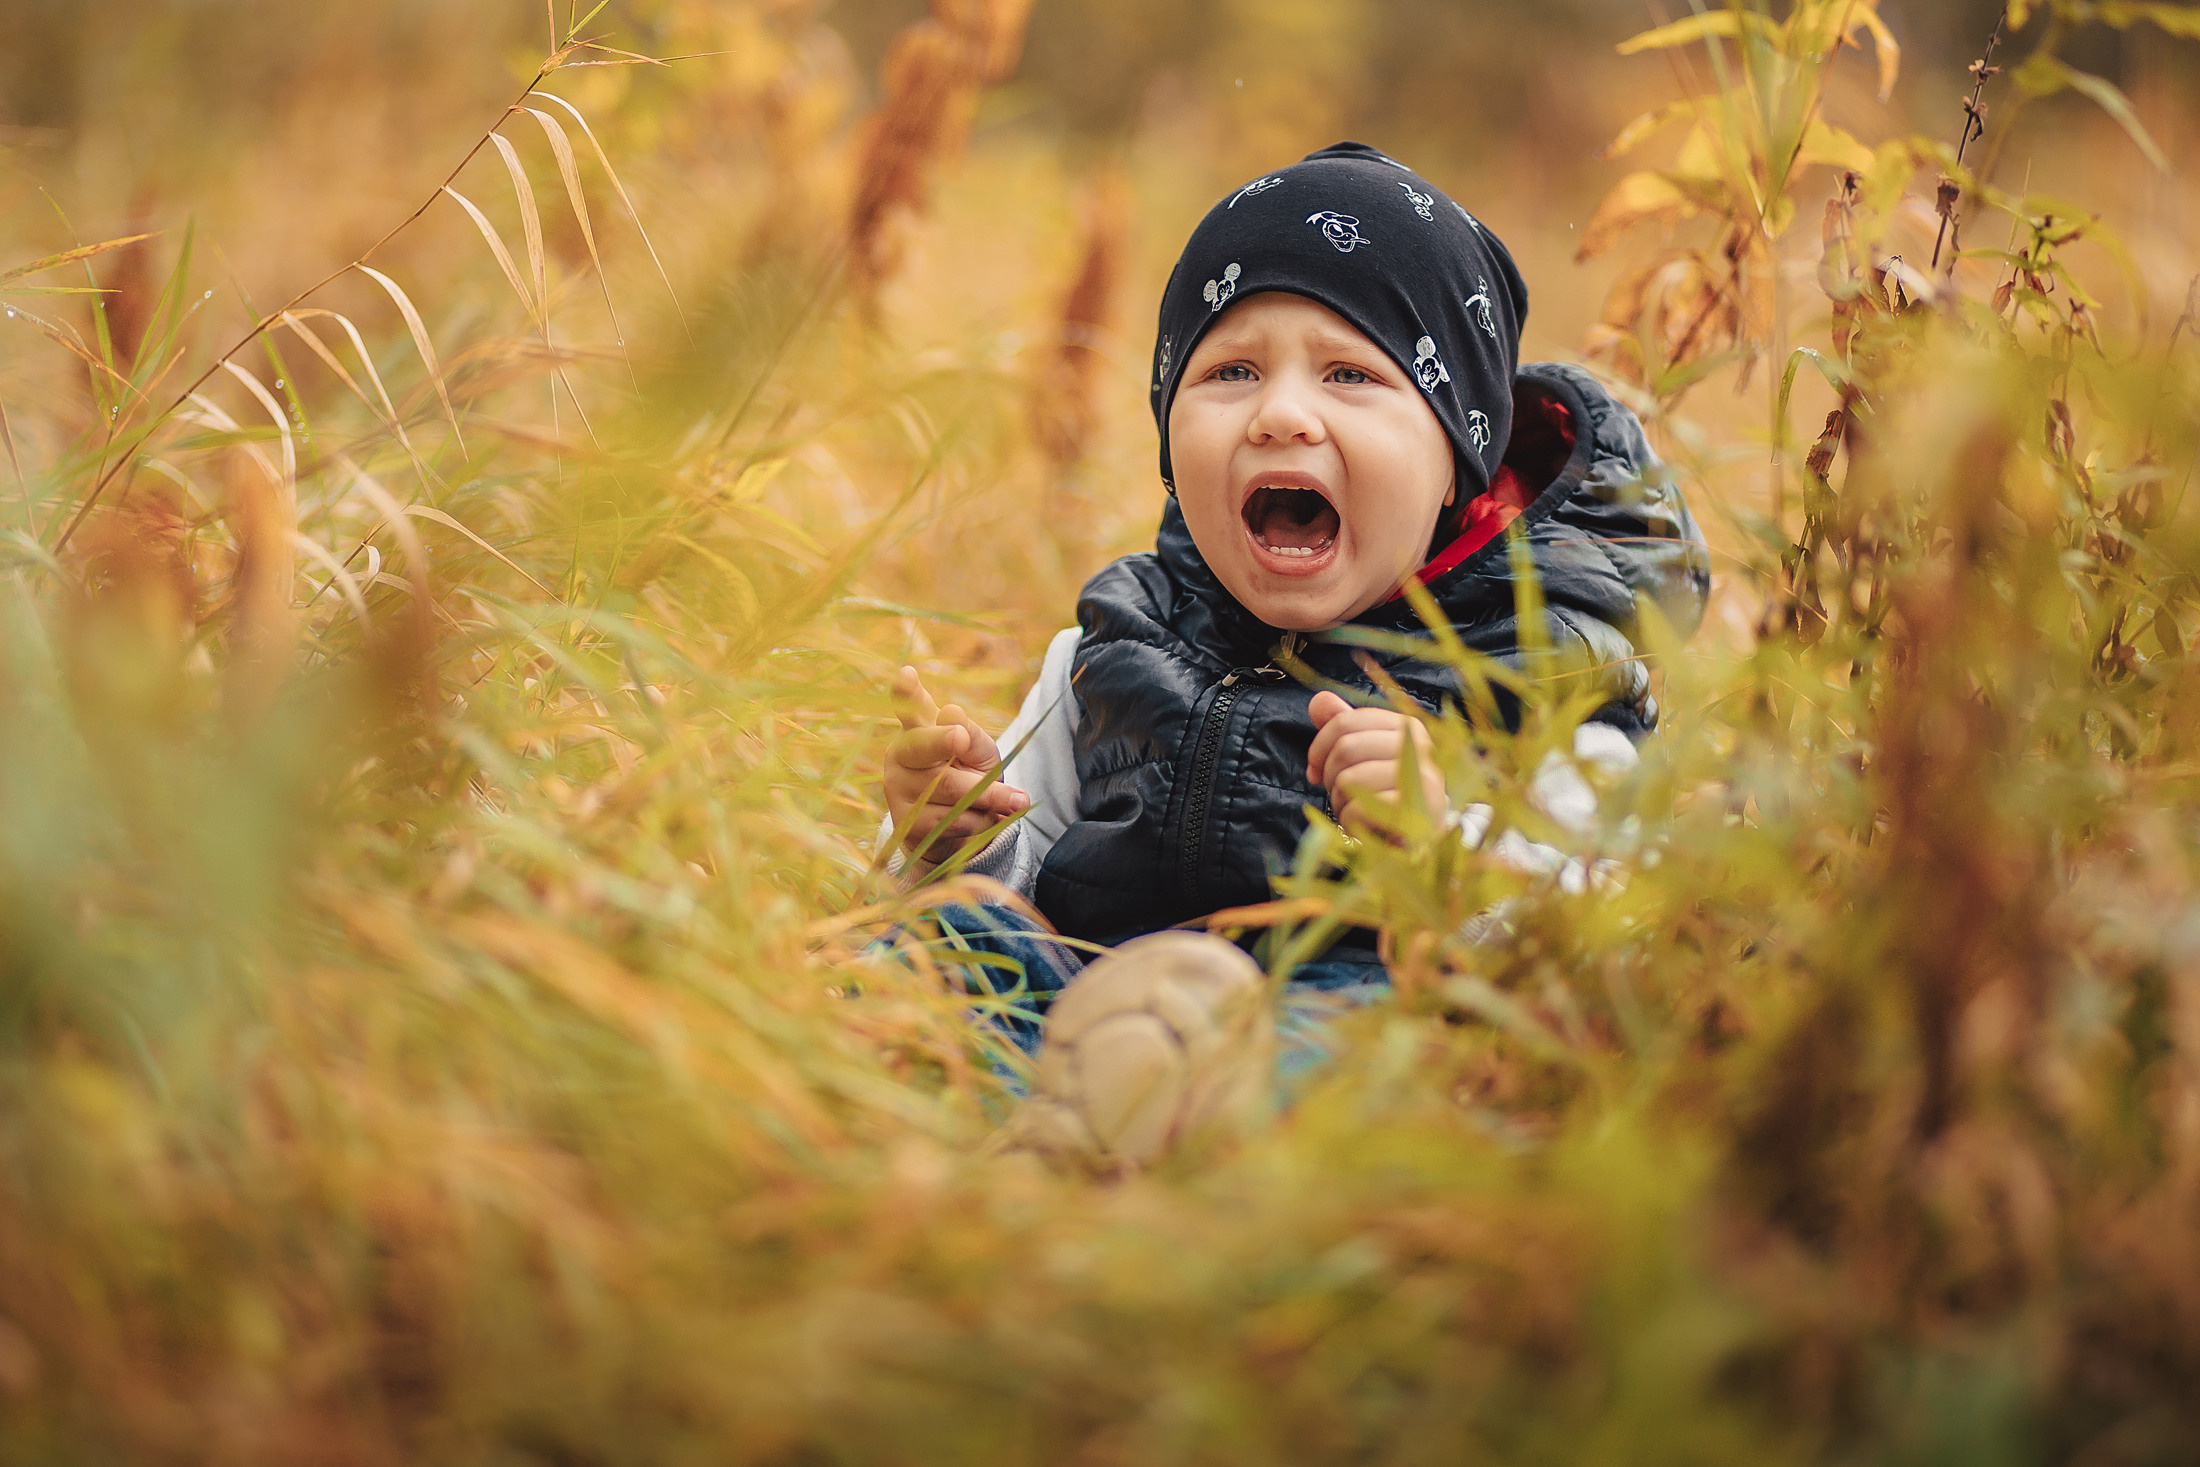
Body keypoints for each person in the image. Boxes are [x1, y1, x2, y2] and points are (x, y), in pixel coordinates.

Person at [878, 142, 1709, 1166]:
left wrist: (1443, 854)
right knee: (944, 941)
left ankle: (1140, 1138)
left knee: (1374, 1047)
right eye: (1228, 371)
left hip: (1332, 1030)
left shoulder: (1540, 676)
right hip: (1089, 996)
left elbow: (1596, 931)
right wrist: (949, 841)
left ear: (1455, 459)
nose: (1279, 413)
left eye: (1350, 374)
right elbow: (1026, 863)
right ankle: (1024, 1127)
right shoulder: (1111, 648)